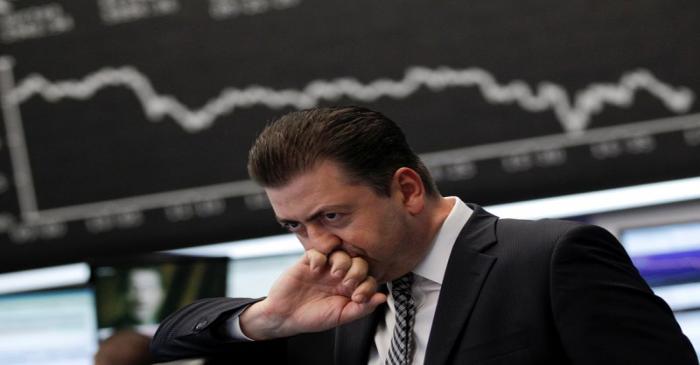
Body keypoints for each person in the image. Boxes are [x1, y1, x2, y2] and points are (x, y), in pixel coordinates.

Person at [150, 106, 697, 364]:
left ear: (407, 189)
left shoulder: (551, 259)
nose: (316, 245)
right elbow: (166, 341)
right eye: (295, 226)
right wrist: (265, 318)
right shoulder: (326, 309)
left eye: (332, 217)